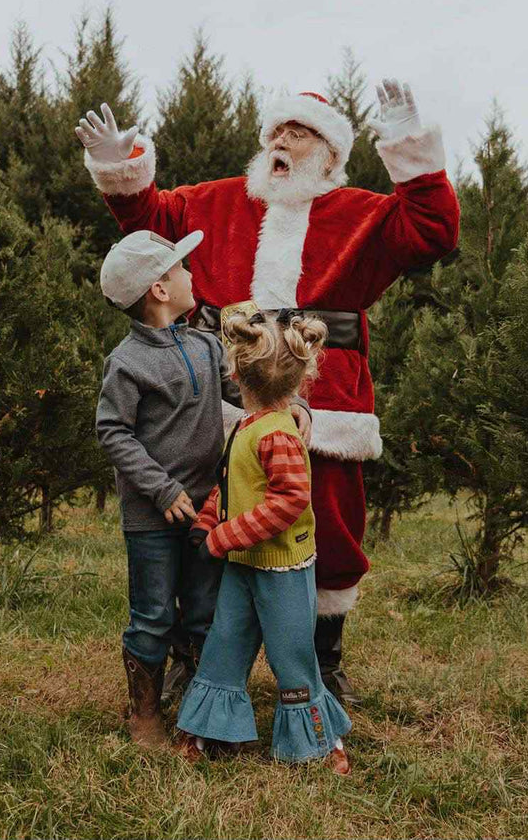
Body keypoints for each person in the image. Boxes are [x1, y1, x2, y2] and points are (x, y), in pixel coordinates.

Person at [77, 81, 460, 702]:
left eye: (299, 133)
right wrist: (121, 168)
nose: (281, 141)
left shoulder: (362, 214)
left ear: (330, 155)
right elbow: (148, 225)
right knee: (209, 528)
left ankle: (322, 664)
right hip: (220, 398)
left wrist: (410, 150)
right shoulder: (217, 202)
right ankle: (192, 657)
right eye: (276, 132)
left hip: (327, 402)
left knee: (331, 527)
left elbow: (435, 230)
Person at [94, 230, 310, 747]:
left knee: (204, 610)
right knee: (151, 614)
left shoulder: (207, 344)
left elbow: (250, 390)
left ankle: (203, 708)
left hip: (211, 509)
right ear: (160, 291)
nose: (193, 274)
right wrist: (161, 490)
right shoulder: (127, 363)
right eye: (181, 268)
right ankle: (144, 713)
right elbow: (112, 430)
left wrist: (293, 407)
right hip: (154, 515)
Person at [175, 302, 351, 773]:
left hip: (282, 571)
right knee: (224, 643)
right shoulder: (248, 429)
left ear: (234, 373)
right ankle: (209, 730)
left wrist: (223, 536)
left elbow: (288, 501)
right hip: (243, 565)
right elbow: (233, 484)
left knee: (291, 654)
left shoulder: (279, 435)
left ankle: (321, 740)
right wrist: (208, 522)